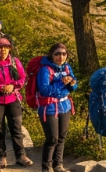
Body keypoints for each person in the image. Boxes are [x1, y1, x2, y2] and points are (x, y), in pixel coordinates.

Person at [0, 36, 30, 168]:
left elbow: (23, 78)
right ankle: (1, 157)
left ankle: (21, 156)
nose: (3, 50)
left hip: (13, 99)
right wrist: (0, 88)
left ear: (9, 48)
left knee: (16, 128)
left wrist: (13, 86)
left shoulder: (15, 62)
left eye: (6, 47)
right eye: (0, 48)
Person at [37, 43, 77, 172]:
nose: (61, 56)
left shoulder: (67, 67)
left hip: (65, 106)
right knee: (52, 139)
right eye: (57, 54)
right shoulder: (45, 70)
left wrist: (72, 84)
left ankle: (58, 165)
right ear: (51, 55)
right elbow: (44, 90)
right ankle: (46, 167)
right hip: (49, 108)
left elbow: (73, 87)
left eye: (64, 54)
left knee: (61, 138)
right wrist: (61, 83)